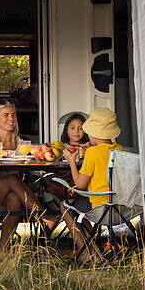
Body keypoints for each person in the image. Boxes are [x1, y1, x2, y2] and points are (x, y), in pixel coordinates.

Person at [0, 100, 56, 251]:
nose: (11, 119)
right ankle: (42, 214)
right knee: (11, 177)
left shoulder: (23, 142)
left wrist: (39, 153)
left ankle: (2, 252)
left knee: (14, 198)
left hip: (18, 192)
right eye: (6, 115)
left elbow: (35, 166)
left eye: (13, 115)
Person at [61, 107, 123, 263]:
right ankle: (95, 252)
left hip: (99, 207)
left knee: (65, 205)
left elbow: (80, 185)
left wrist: (71, 162)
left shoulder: (92, 153)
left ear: (94, 134)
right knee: (79, 207)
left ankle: (88, 252)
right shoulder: (118, 149)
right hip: (120, 208)